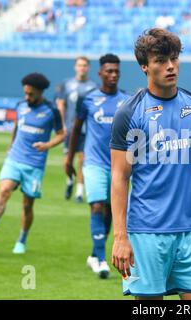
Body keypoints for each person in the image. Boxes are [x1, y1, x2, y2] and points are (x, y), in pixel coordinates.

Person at [110, 28, 191, 300]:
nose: (170, 66)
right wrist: (120, 237)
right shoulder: (129, 113)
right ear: (144, 67)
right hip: (146, 235)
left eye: (174, 58)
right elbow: (119, 177)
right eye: (160, 61)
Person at [0, 73, 65, 254]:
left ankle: (21, 240)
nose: (27, 97)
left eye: (31, 94)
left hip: (34, 165)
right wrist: (10, 146)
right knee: (4, 190)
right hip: (15, 158)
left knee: (27, 205)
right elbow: (17, 126)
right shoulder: (21, 105)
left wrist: (47, 145)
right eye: (25, 93)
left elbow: (62, 134)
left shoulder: (51, 110)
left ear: (40, 92)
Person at [65, 54, 130, 278]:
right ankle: (102, 260)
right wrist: (69, 159)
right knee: (97, 206)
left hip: (119, 167)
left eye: (116, 72)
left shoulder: (127, 101)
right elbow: (76, 129)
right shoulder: (88, 99)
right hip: (94, 163)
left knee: (112, 212)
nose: (113, 75)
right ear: (100, 73)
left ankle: (95, 253)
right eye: (109, 71)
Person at [56, 56, 97, 203]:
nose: (82, 68)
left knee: (83, 160)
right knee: (68, 161)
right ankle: (70, 180)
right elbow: (61, 105)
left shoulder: (93, 86)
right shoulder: (66, 84)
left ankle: (79, 193)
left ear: (88, 68)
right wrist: (62, 125)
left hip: (86, 130)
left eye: (85, 65)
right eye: (80, 65)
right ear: (75, 67)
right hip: (69, 129)